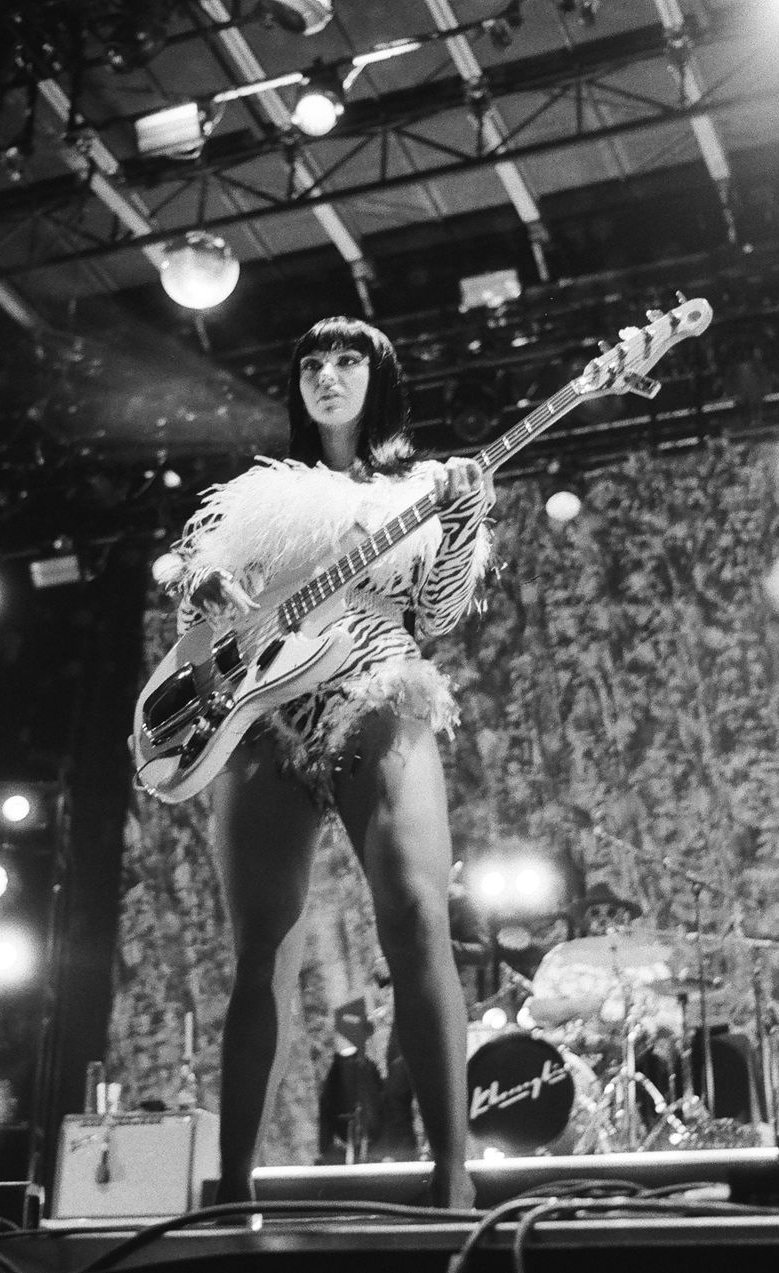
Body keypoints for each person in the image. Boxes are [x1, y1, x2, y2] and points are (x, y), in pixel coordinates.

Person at [168, 315, 494, 1209]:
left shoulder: (419, 490)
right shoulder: (257, 497)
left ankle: (451, 1175)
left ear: (377, 376)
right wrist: (203, 586)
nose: (327, 375)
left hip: (377, 689)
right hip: (264, 712)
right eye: (311, 362)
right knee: (259, 954)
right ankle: (233, 1189)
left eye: (347, 361)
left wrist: (462, 523)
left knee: (420, 913)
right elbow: (205, 624)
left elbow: (437, 611)